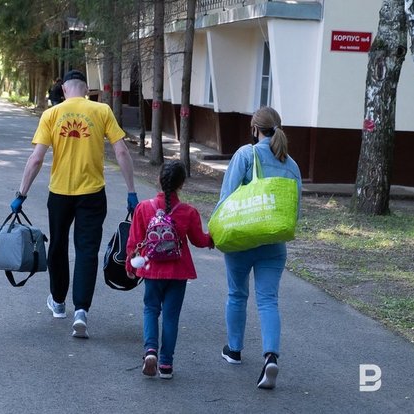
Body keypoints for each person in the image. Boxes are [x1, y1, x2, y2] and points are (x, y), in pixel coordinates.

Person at [10, 69, 138, 339]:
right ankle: (81, 312)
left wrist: (21, 194)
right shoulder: (102, 111)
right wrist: (131, 191)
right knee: (87, 251)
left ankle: (58, 303)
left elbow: (36, 159)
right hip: (93, 194)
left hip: (59, 194)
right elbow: (122, 151)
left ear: (64, 89)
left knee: (57, 246)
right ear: (86, 89)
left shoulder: (52, 114)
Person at [217, 106, 302, 389]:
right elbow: (295, 210)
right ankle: (270, 357)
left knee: (237, 294)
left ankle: (234, 350)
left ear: (254, 129)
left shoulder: (245, 154)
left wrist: (216, 229)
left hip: (242, 238)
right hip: (274, 243)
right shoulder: (291, 165)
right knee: (268, 300)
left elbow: (227, 197)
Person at [125, 160, 213, 379]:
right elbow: (198, 240)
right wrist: (212, 239)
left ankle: (150, 351)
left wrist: (130, 264)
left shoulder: (144, 208)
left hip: (151, 269)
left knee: (151, 309)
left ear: (159, 180)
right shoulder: (188, 212)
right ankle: (166, 364)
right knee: (171, 317)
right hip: (178, 271)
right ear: (181, 184)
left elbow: (134, 241)